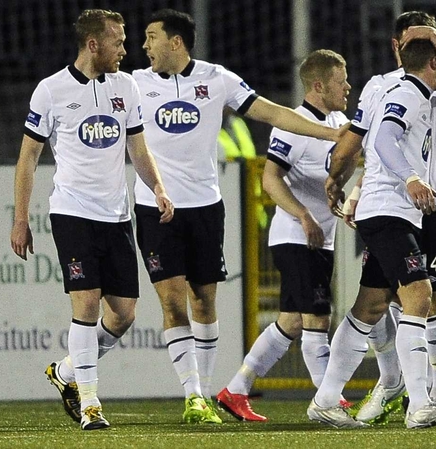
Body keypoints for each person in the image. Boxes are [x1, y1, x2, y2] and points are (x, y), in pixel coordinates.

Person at [131, 9, 346, 422]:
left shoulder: (217, 79)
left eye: (151, 37)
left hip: (206, 208)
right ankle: (194, 395)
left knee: (204, 300)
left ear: (176, 42)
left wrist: (330, 133)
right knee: (173, 304)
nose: (145, 46)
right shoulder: (135, 84)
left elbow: (273, 113)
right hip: (155, 208)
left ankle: (213, 392)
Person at [10, 9, 175, 431]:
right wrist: (20, 219)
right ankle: (90, 404)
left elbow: (138, 147)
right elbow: (29, 157)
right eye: (118, 42)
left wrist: (156, 187)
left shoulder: (127, 86)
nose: (125, 49)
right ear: (93, 45)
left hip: (116, 216)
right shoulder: (51, 91)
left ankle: (65, 373)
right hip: (72, 212)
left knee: (123, 315)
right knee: (85, 304)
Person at [309, 36, 436, 430]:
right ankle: (419, 406)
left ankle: (326, 400)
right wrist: (412, 177)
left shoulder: (403, 92)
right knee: (420, 294)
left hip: (388, 213)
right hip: (388, 212)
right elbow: (382, 139)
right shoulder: (408, 93)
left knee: (369, 307)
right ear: (433, 64)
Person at [217, 50, 350, 422]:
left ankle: (236, 389)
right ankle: (328, 401)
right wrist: (303, 215)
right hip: (295, 236)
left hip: (321, 237)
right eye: (341, 81)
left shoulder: (339, 120)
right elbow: (270, 178)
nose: (348, 86)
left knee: (291, 321)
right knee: (317, 318)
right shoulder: (295, 125)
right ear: (319, 86)